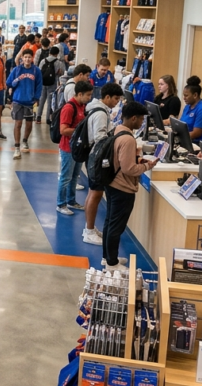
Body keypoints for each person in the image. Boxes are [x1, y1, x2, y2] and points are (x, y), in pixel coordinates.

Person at [103, 102, 158, 270]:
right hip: (122, 188)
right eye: (141, 119)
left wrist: (138, 159)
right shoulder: (128, 139)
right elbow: (128, 169)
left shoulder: (117, 130)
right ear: (134, 118)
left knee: (110, 222)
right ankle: (112, 263)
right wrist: (147, 166)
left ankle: (107, 257)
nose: (142, 123)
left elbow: (121, 158)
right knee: (116, 226)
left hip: (111, 183)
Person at [83, 83, 123, 246]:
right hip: (97, 158)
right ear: (107, 97)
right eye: (115, 99)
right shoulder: (100, 113)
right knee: (96, 194)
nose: (117, 102)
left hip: (93, 156)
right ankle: (89, 231)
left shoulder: (98, 109)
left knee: (92, 193)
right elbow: (100, 138)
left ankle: (89, 228)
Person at [57, 81, 94, 215]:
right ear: (79, 94)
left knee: (74, 177)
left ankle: (71, 201)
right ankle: (61, 204)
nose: (89, 98)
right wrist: (81, 131)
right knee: (66, 177)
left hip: (78, 148)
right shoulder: (69, 108)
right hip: (68, 148)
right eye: (88, 95)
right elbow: (63, 130)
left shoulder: (82, 106)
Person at [6, 48, 43, 159]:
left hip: (30, 101)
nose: (27, 59)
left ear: (32, 58)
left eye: (29, 57)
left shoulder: (36, 70)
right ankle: (17, 148)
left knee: (29, 124)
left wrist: (36, 98)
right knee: (18, 124)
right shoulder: (17, 70)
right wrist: (16, 80)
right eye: (25, 57)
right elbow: (9, 83)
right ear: (22, 58)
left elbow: (39, 85)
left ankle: (25, 141)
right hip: (17, 100)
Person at [182, 76, 202, 146]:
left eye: (186, 96)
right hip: (189, 141)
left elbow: (196, 133)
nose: (184, 98)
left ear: (195, 95)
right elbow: (181, 124)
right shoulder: (187, 107)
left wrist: (179, 137)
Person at [36, 46, 65, 123]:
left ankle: (38, 117)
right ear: (57, 54)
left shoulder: (43, 61)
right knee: (50, 100)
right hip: (53, 83)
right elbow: (62, 73)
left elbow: (39, 71)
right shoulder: (59, 63)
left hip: (43, 83)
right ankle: (48, 118)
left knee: (42, 99)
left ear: (49, 52)